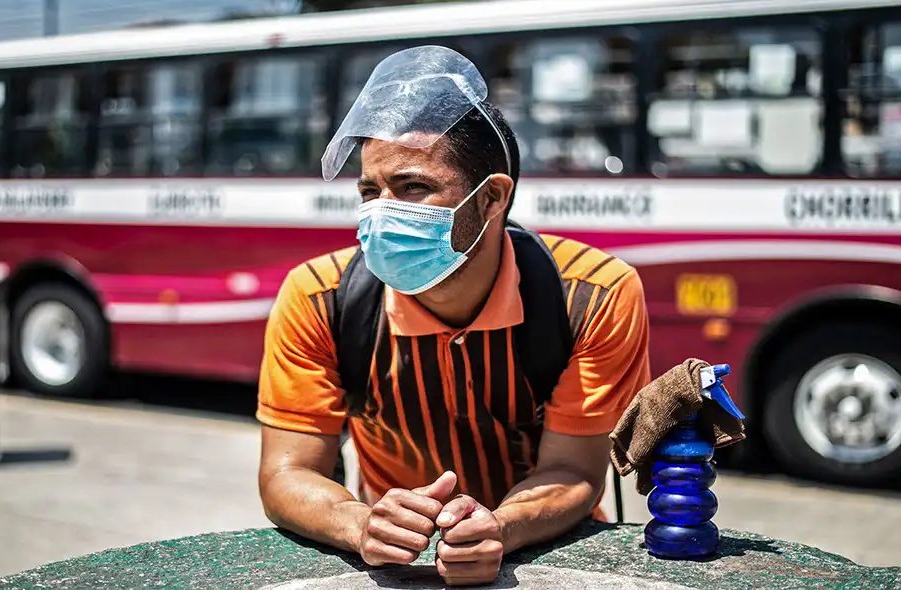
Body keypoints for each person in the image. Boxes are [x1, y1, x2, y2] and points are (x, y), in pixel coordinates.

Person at [257, 46, 651, 587]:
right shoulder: (316, 296)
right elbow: (287, 472)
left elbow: (576, 472)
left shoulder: (594, 295)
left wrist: (502, 528)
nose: (380, 211)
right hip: (395, 564)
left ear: (492, 199)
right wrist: (359, 524)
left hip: (547, 562)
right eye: (370, 191)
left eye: (413, 187)